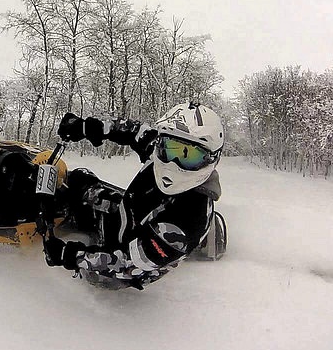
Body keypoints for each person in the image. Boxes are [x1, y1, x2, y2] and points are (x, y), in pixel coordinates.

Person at [43, 102, 224, 289]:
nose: (173, 163)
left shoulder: (187, 223)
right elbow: (135, 131)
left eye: (189, 155)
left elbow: (127, 264)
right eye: (170, 148)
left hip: (130, 264)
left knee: (97, 277)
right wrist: (90, 127)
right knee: (80, 180)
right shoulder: (157, 153)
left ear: (211, 158)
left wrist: (72, 256)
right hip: (128, 213)